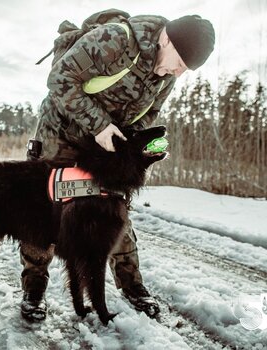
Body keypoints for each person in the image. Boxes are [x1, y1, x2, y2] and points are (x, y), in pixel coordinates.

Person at [20, 11, 215, 322]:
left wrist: (130, 151)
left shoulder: (166, 77)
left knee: (113, 208)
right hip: (60, 134)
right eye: (179, 62)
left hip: (105, 144)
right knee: (43, 210)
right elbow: (59, 79)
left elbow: (148, 116)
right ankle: (34, 288)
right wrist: (99, 126)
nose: (178, 73)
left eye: (185, 70)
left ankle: (132, 285)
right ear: (166, 38)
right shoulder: (115, 40)